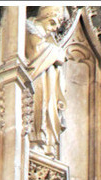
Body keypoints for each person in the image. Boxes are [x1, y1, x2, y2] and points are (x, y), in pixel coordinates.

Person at [26, 7, 67, 158]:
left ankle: (43, 142)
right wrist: (56, 52)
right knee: (37, 108)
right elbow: (36, 52)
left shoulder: (43, 36)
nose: (55, 29)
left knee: (46, 109)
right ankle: (35, 139)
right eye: (52, 23)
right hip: (35, 79)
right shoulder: (29, 29)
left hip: (43, 80)